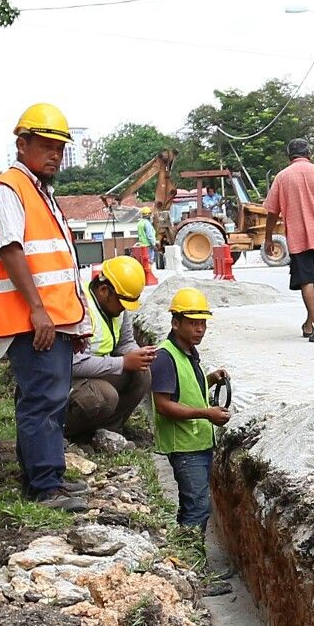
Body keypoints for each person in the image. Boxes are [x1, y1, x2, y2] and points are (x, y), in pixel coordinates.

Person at [0, 102, 90, 511]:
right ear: (21, 144)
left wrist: (71, 324)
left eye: (59, 148)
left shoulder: (40, 193)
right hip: (32, 321)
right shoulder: (9, 190)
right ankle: (46, 486)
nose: (55, 155)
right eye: (46, 146)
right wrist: (39, 310)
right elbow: (12, 251)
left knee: (46, 398)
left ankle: (43, 479)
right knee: (43, 399)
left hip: (50, 320)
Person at [150, 287, 230, 531]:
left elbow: (186, 389)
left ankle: (189, 560)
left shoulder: (187, 353)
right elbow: (163, 405)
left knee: (193, 504)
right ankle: (194, 563)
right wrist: (208, 413)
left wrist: (211, 379)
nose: (200, 329)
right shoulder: (165, 357)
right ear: (175, 323)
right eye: (193, 323)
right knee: (196, 507)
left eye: (203, 323)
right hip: (185, 447)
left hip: (197, 443)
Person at [66, 255, 156, 442]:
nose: (124, 309)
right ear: (105, 290)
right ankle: (70, 434)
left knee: (142, 374)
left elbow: (125, 342)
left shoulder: (117, 308)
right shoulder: (81, 309)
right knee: (104, 396)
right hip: (68, 380)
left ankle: (108, 432)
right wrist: (123, 362)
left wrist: (138, 354)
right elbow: (74, 363)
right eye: (122, 303)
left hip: (94, 372)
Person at [264, 140, 314, 343]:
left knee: (306, 280)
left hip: (298, 238)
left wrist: (268, 238)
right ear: (309, 153)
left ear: (289, 155)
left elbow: (272, 212)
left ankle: (311, 324)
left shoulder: (282, 178)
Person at [135, 206, 161, 271]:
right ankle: (150, 274)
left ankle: (147, 274)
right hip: (149, 245)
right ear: (149, 214)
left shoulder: (140, 223)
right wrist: (153, 245)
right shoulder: (147, 223)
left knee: (145, 261)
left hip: (142, 245)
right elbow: (149, 236)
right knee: (150, 260)